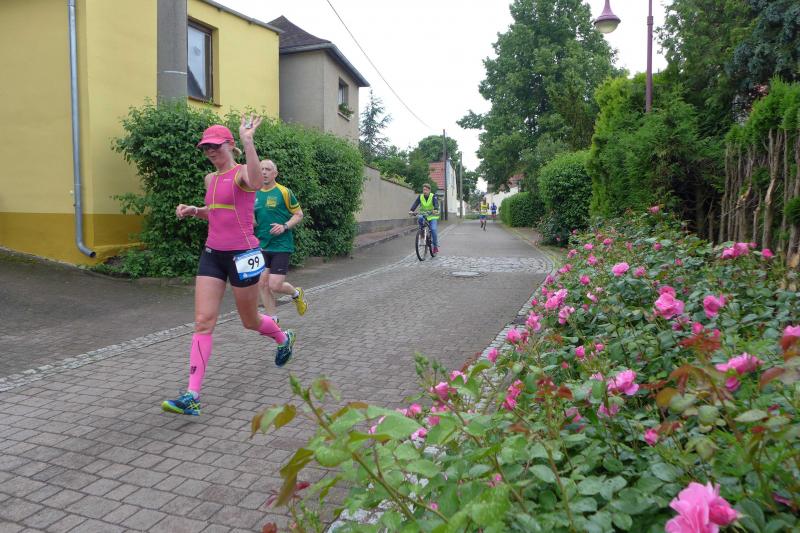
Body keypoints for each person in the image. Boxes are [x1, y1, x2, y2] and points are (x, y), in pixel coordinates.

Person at [162, 115, 295, 417]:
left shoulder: (241, 174)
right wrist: (194, 210)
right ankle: (192, 395)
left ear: (230, 145)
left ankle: (282, 337)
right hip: (213, 254)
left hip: (243, 255)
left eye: (215, 146)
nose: (210, 151)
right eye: (205, 147)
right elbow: (215, 211)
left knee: (250, 321)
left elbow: (257, 182)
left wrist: (248, 141)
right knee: (203, 321)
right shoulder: (210, 179)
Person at [254, 159, 307, 322]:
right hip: (262, 245)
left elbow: (299, 214)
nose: (264, 172)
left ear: (275, 173)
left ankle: (296, 293)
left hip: (281, 246)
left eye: (268, 169)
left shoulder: (284, 192)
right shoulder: (254, 194)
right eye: (261, 169)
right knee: (262, 284)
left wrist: (284, 226)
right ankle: (273, 320)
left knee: (275, 285)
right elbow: (254, 220)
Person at [408, 183, 440, 254]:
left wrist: (435, 209)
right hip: (423, 214)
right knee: (420, 218)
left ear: (429, 190)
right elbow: (416, 203)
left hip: (432, 216)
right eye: (423, 190)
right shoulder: (420, 196)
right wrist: (411, 210)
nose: (424, 191)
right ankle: (422, 232)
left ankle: (435, 246)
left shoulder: (433, 196)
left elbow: (436, 204)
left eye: (426, 190)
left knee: (433, 229)